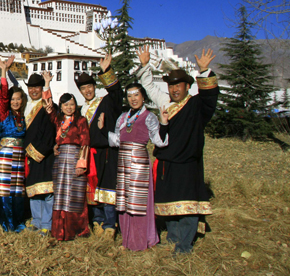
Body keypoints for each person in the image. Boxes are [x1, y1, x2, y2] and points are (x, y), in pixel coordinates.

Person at [136, 46, 219, 254]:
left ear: (187, 87)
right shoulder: (166, 103)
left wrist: (203, 71)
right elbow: (148, 88)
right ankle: (173, 237)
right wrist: (145, 66)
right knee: (168, 202)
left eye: (178, 85)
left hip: (188, 163)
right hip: (166, 162)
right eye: (171, 86)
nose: (174, 90)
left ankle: (184, 245)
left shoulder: (196, 105)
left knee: (188, 204)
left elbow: (210, 99)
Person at [106, 82, 168, 251]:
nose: (133, 99)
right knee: (125, 202)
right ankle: (127, 240)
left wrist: (164, 123)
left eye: (136, 95)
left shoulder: (149, 117)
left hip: (139, 161)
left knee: (138, 203)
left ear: (143, 96)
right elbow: (117, 140)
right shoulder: (123, 117)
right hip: (123, 161)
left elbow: (159, 141)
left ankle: (139, 241)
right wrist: (102, 129)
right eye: (130, 95)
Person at [76, 53, 122, 239]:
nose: (87, 91)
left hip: (105, 152)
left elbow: (117, 95)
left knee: (107, 187)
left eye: (90, 87)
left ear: (95, 87)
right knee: (91, 189)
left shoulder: (105, 102)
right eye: (84, 88)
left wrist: (107, 72)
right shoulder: (80, 110)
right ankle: (96, 221)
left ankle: (110, 223)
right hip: (88, 154)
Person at [45, 86, 91, 241]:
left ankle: (76, 230)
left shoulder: (81, 120)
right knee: (60, 195)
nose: (69, 107)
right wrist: (46, 84)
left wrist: (81, 164)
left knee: (74, 196)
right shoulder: (58, 120)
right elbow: (48, 105)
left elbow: (85, 142)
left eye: (71, 104)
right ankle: (59, 230)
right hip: (60, 160)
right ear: (61, 106)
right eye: (65, 105)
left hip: (74, 158)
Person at [0, 55, 27, 232]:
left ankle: (19, 222)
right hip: (6, 154)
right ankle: (7, 223)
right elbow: (4, 97)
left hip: (20, 156)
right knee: (5, 190)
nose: (15, 102)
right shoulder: (5, 114)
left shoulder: (23, 116)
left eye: (18, 99)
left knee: (17, 190)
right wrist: (4, 71)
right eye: (13, 99)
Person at [22, 71, 57, 236]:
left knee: (47, 191)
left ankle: (47, 224)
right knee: (33, 190)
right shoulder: (25, 106)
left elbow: (50, 128)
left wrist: (40, 150)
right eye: (31, 87)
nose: (33, 90)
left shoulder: (46, 105)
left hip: (44, 153)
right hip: (28, 154)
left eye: (37, 87)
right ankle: (36, 221)